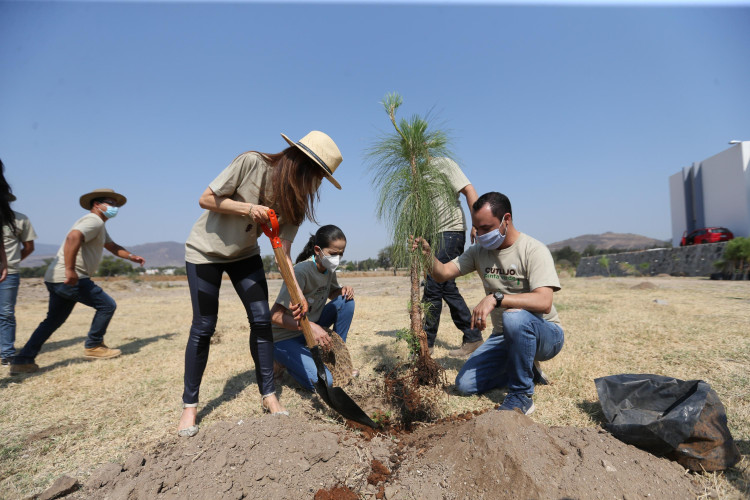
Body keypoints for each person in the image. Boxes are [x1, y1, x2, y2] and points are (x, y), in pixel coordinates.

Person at [178, 131, 343, 437]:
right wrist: (248, 209)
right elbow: (205, 199)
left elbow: (286, 252)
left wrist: (299, 294)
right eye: (319, 176)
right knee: (204, 326)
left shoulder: (296, 202)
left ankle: (269, 394)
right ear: (303, 164)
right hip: (205, 253)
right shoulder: (252, 163)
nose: (318, 185)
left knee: (260, 322)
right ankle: (190, 406)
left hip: (245, 255)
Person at [414, 192, 563, 415]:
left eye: (486, 228)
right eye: (476, 228)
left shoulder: (533, 250)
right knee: (465, 385)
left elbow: (544, 301)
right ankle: (526, 367)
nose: (480, 234)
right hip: (504, 336)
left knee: (513, 315)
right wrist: (427, 255)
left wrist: (496, 298)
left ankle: (521, 395)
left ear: (506, 220)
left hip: (546, 334)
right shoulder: (479, 252)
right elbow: (443, 273)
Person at [10, 189, 146, 375]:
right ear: (96, 205)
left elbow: (112, 246)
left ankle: (22, 360)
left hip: (56, 278)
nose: (114, 207)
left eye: (116, 204)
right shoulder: (93, 220)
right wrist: (70, 269)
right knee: (107, 305)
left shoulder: (99, 225)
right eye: (110, 203)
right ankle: (94, 346)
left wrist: (131, 256)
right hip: (71, 277)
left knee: (52, 321)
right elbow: (73, 237)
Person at [270, 225, 355, 390]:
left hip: (308, 330)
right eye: (333, 254)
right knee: (325, 383)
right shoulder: (301, 272)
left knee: (346, 301)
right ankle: (282, 363)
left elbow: (331, 293)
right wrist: (308, 326)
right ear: (318, 250)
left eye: (341, 254)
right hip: (285, 338)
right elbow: (274, 316)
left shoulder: (328, 269)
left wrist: (342, 290)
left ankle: (336, 356)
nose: (337, 258)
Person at [423, 157, 483, 357]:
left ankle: (426, 344)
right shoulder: (417, 172)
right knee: (446, 287)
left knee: (433, 286)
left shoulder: (442, 163)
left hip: (449, 231)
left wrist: (477, 222)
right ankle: (473, 336)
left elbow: (468, 189)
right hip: (432, 236)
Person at [1, 194, 37, 365]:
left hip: (9, 274)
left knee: (6, 313)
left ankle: (7, 353)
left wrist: (10, 263)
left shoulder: (20, 219)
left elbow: (29, 247)